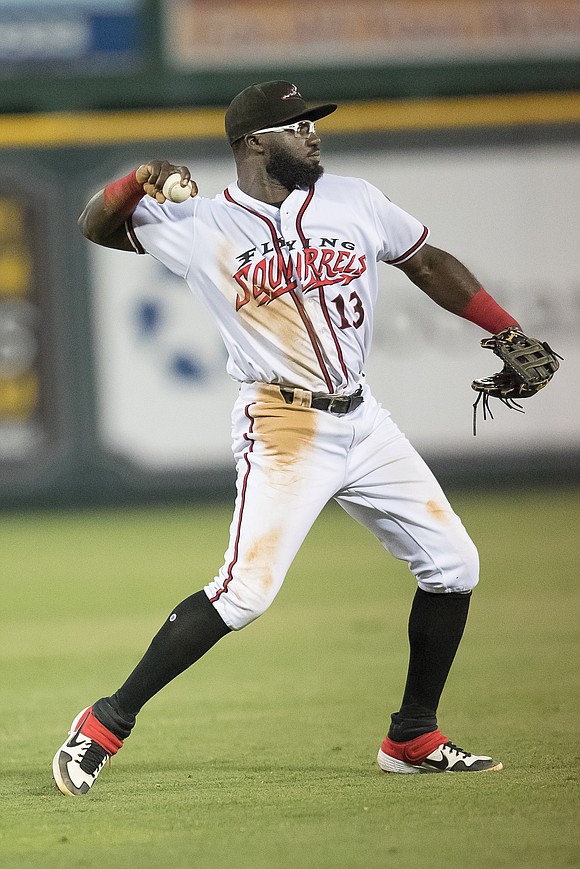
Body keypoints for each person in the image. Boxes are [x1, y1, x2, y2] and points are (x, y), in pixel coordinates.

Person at [53, 80, 520, 796]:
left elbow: (426, 263)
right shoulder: (198, 222)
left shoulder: (354, 200)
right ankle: (103, 723)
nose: (313, 134)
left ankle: (412, 735)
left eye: (312, 123)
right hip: (282, 422)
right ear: (252, 144)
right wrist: (140, 175)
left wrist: (505, 330)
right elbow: (94, 223)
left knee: (455, 563)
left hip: (365, 421)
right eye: (296, 125)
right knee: (243, 593)